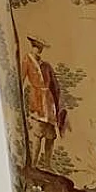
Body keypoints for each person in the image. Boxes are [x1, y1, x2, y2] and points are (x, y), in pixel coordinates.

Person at [21, 36, 67, 170]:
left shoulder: (46, 65)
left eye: (40, 47)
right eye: (37, 46)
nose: (38, 49)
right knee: (37, 133)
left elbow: (54, 85)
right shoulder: (27, 60)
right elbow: (21, 79)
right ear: (33, 45)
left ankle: (47, 164)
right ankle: (34, 164)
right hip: (37, 101)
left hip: (49, 102)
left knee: (50, 135)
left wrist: (58, 104)